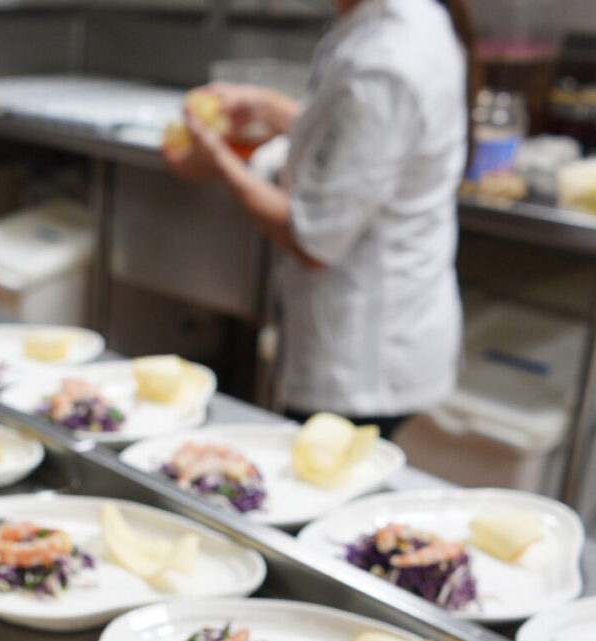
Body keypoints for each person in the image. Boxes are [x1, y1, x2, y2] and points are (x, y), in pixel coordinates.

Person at [165, 0, 477, 438]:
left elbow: (313, 241)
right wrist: (271, 109)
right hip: (382, 328)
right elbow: (363, 144)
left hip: (363, 357)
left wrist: (218, 161)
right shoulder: (401, 18)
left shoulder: (388, 60)